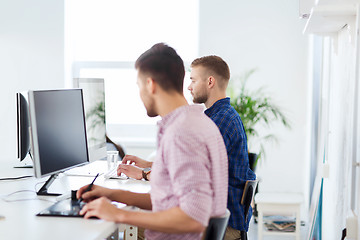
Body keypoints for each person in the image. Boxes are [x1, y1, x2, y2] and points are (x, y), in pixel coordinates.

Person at [77, 43, 228, 240]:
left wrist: (119, 214)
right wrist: (111, 194)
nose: (140, 94)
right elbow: (168, 201)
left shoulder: (181, 133)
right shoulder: (195, 122)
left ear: (150, 84)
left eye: (139, 86)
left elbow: (193, 217)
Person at [188, 55, 256, 239]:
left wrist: (147, 173)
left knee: (137, 230)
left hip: (222, 226)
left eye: (193, 80)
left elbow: (193, 173)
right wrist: (147, 166)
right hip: (224, 218)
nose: (189, 86)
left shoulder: (221, 121)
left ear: (210, 81)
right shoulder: (220, 115)